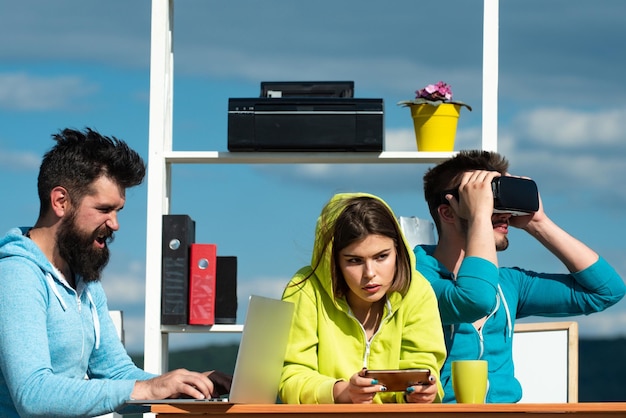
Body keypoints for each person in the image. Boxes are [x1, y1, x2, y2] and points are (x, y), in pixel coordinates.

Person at [0, 128, 231, 417]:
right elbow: (33, 394)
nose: (115, 223)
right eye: (104, 209)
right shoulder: (16, 275)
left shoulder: (83, 278)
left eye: (118, 210)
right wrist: (148, 389)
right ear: (60, 202)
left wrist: (186, 386)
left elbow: (114, 371)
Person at [415, 149, 626, 403]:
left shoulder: (509, 284)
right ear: (448, 212)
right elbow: (475, 299)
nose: (503, 213)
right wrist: (481, 215)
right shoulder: (415, 279)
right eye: (486, 201)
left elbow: (606, 291)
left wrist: (538, 222)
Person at [279, 192, 447, 404]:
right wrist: (342, 392)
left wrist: (419, 393)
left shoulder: (418, 290)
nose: (370, 272)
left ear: (398, 250)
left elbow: (424, 367)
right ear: (333, 260)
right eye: (355, 260)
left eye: (381, 257)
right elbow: (289, 376)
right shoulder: (303, 288)